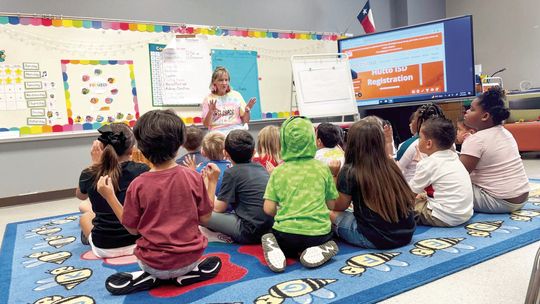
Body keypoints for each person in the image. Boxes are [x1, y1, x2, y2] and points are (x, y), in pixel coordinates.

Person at [96, 109, 222, 295]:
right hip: (191, 259)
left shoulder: (137, 185)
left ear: (140, 147)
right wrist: (211, 182)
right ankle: (189, 274)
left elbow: (132, 229)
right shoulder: (192, 177)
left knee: (146, 256)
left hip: (152, 264)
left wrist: (110, 197)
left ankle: (150, 277)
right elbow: (205, 218)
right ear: (179, 143)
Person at [262, 116, 339, 273]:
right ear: (312, 138)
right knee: (331, 237)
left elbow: (268, 209)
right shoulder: (322, 169)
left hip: (285, 237)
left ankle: (277, 248)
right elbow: (331, 205)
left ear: (283, 141)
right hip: (318, 236)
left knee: (270, 235)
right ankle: (320, 249)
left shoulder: (278, 172)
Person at [330, 117, 416, 249]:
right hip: (407, 233)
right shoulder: (390, 164)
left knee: (327, 213)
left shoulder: (350, 171)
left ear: (352, 143)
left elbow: (337, 206)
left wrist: (334, 175)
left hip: (375, 238)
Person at [76, 124, 149, 257]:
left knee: (85, 215)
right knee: (85, 207)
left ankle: (88, 237)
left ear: (100, 148)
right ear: (132, 150)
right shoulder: (142, 170)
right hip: (139, 242)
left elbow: (80, 195)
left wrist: (94, 166)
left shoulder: (89, 173)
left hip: (104, 248)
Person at [461, 87, 529, 213]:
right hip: (522, 198)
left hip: (498, 201)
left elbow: (459, 173)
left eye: (472, 109)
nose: (467, 112)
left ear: (485, 116)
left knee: (448, 184)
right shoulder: (506, 132)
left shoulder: (475, 140)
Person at [204, 130, 274, 244]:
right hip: (270, 228)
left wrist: (210, 182)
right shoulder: (261, 168)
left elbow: (218, 208)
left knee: (202, 215)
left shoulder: (232, 173)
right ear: (254, 152)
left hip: (249, 232)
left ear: (225, 153)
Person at [409, 117, 473, 227]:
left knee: (403, 207)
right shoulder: (454, 157)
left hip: (444, 217)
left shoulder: (427, 164)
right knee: (422, 195)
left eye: (420, 138)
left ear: (429, 143)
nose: (418, 141)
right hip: (465, 214)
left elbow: (408, 194)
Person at [396, 103, 446, 182]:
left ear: (421, 121)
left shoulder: (411, 144)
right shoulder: (448, 142)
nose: (411, 123)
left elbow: (394, 170)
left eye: (414, 119)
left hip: (414, 190)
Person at [202, 66, 257, 134]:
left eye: (226, 80)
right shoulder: (208, 99)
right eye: (221, 80)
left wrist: (247, 110)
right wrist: (210, 111)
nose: (224, 83)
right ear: (214, 82)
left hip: (235, 133)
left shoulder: (236, 95)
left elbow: (245, 121)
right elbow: (206, 124)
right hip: (217, 135)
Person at [183, 131, 231, 196]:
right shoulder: (233, 168)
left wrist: (193, 172)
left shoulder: (199, 171)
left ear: (203, 152)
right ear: (226, 151)